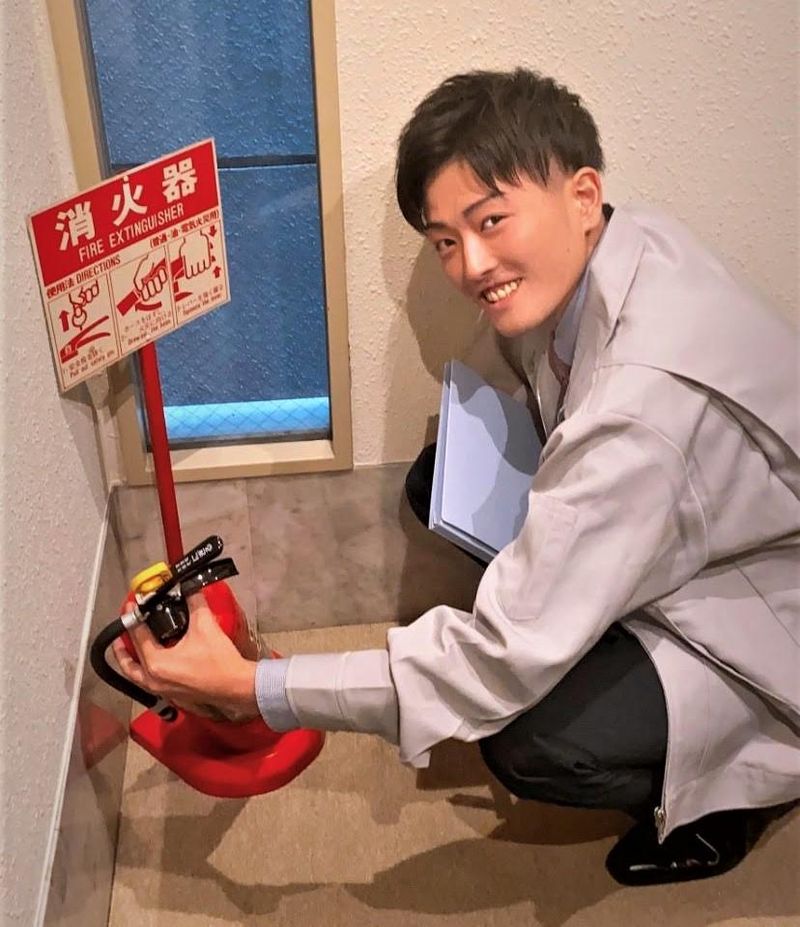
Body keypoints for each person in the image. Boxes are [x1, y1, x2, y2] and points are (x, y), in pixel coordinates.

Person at [113, 68, 800, 886]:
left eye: (491, 220)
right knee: (437, 482)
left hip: (753, 622)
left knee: (525, 736)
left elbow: (496, 664)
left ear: (583, 195)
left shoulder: (638, 416)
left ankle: (736, 794)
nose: (471, 264)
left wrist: (256, 688)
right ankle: (586, 623)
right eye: (445, 240)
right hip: (692, 534)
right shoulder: (625, 241)